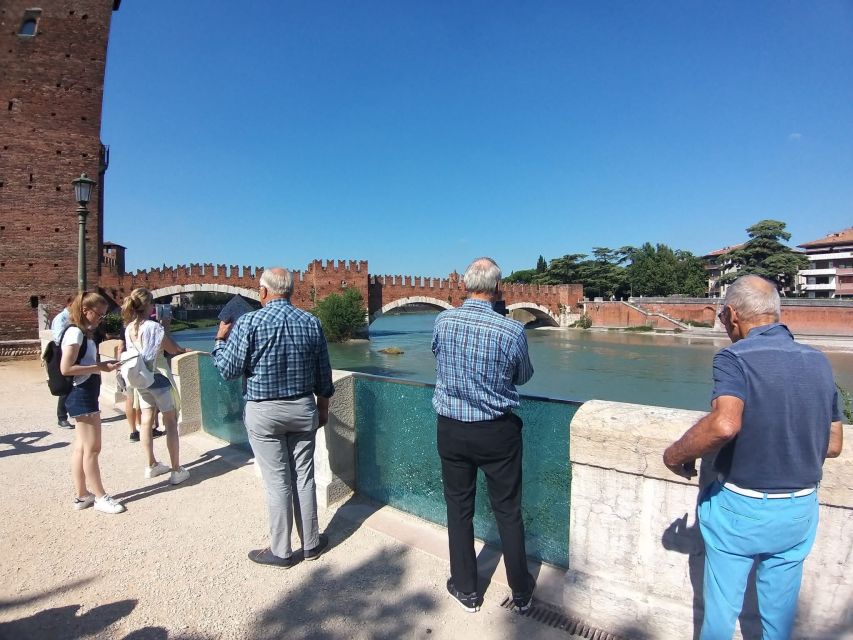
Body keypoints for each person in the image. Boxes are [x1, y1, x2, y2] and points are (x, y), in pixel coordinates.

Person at [663, 275, 843, 640]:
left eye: (722, 319)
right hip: (799, 508)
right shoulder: (819, 361)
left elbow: (724, 424)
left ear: (732, 315)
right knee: (779, 620)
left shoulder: (733, 357)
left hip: (741, 508)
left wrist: (674, 454)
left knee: (720, 615)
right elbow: (834, 443)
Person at [431, 257, 535, 613]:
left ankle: (466, 589)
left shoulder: (443, 321)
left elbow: (438, 359)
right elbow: (523, 377)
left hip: (452, 429)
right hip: (497, 432)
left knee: (459, 509)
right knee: (508, 510)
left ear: (465, 285)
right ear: (498, 288)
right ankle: (521, 591)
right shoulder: (512, 331)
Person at [212, 267, 334, 568]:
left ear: (263, 292)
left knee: (278, 481)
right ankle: (311, 544)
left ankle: (281, 551)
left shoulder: (249, 322)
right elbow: (323, 374)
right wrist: (323, 409)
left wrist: (219, 341)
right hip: (303, 407)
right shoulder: (311, 322)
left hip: (264, 411)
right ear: (291, 291)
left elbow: (228, 371)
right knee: (304, 478)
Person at [59, 292, 125, 514]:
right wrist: (99, 368)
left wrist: (101, 364)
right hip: (81, 393)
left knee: (81, 448)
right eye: (99, 314)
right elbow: (66, 368)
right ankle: (100, 497)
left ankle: (82, 495)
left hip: (83, 391)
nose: (101, 319)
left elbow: (82, 363)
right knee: (93, 448)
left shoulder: (82, 334)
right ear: (85, 310)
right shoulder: (76, 334)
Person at [121, 288, 192, 485]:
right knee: (170, 422)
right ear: (149, 305)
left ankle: (151, 465)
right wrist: (166, 328)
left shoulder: (129, 328)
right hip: (158, 378)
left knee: (145, 421)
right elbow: (170, 349)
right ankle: (176, 469)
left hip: (140, 380)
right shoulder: (154, 327)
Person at [51, 298, 74, 429]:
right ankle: (62, 417)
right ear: (70, 304)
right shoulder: (61, 318)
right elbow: (59, 338)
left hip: (72, 354)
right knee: (66, 384)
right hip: (64, 354)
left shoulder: (71, 318)